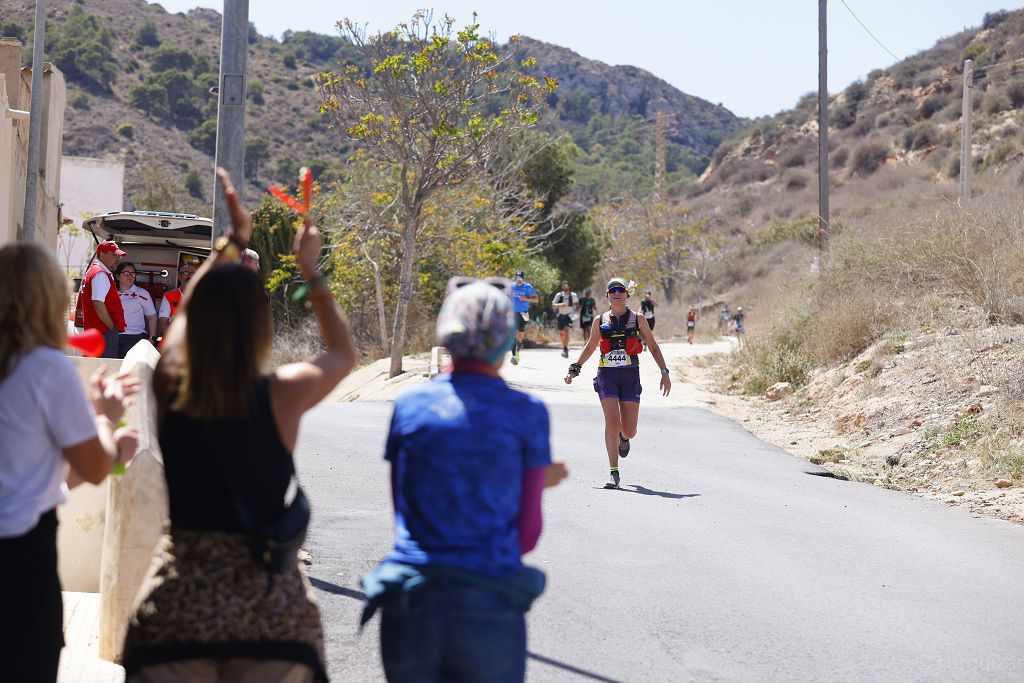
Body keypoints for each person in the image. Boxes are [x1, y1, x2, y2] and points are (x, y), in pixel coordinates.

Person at [122, 169, 357, 683]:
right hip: (271, 621)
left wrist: (230, 245)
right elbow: (342, 353)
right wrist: (309, 269)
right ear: (261, 323)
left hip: (179, 615)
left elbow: (181, 325)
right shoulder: (281, 395)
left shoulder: (173, 384)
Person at [361, 278, 568, 682]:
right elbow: (525, 536)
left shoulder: (409, 406)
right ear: (505, 337)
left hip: (410, 603)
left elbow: (404, 511)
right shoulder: (526, 413)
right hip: (487, 603)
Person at [0, 241, 139, 683]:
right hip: (20, 564)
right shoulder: (44, 368)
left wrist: (114, 455)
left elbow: (39, 477)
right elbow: (94, 467)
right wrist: (106, 416)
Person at [564, 278, 671, 489]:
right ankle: (614, 473)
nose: (616, 293)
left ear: (627, 294)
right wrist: (575, 367)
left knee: (629, 430)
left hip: (630, 375)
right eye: (612, 290)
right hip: (607, 376)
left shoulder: (638, 319)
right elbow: (591, 346)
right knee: (612, 422)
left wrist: (664, 372)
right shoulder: (599, 320)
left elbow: (653, 346)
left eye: (620, 290)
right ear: (607, 296)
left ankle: (624, 437)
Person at [76, 240, 127, 358]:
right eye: (114, 255)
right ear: (102, 255)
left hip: (97, 330)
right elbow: (98, 303)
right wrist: (111, 327)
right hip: (103, 331)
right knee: (104, 368)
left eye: (118, 256)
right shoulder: (100, 273)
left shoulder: (94, 271)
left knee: (94, 366)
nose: (117, 259)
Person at [114, 262, 158, 358]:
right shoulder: (110, 293)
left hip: (136, 337)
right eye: (126, 273)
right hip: (114, 336)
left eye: (133, 273)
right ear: (117, 276)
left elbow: (152, 317)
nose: (130, 276)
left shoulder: (143, 293)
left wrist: (152, 338)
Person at [157, 260, 197, 339]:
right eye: (185, 273)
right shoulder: (169, 296)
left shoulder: (205, 297)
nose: (189, 276)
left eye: (192, 273)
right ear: (179, 277)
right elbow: (162, 324)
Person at [509, 269, 537, 365]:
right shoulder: (511, 286)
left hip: (523, 313)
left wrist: (526, 298)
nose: (519, 280)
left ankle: (517, 352)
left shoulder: (528, 287)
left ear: (523, 278)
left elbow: (536, 299)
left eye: (520, 278)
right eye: (517, 278)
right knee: (513, 334)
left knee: (520, 335)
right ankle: (513, 356)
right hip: (512, 313)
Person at [551, 280, 579, 358]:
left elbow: (577, 304)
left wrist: (577, 311)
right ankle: (564, 346)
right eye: (563, 285)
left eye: (566, 285)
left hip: (569, 316)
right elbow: (553, 304)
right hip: (561, 315)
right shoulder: (559, 295)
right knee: (561, 333)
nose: (565, 286)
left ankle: (565, 348)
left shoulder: (573, 295)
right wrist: (560, 304)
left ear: (569, 286)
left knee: (566, 331)